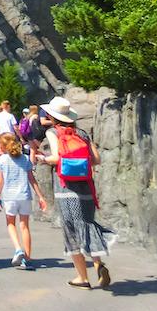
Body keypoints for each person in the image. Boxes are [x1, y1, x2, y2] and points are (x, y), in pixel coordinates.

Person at [38, 96, 114, 289]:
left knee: (71, 230)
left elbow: (56, 158)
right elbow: (96, 159)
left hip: (66, 189)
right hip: (86, 187)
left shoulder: (53, 132)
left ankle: (82, 277)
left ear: (53, 116)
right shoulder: (82, 133)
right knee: (87, 225)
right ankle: (98, 263)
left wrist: (44, 159)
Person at [0, 132, 47, 270]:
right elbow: (32, 179)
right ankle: (28, 258)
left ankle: (18, 249)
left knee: (11, 224)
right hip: (24, 195)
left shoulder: (1, 160)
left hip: (9, 196)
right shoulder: (25, 159)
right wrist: (40, 196)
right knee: (25, 226)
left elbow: (0, 182)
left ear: (3, 145)